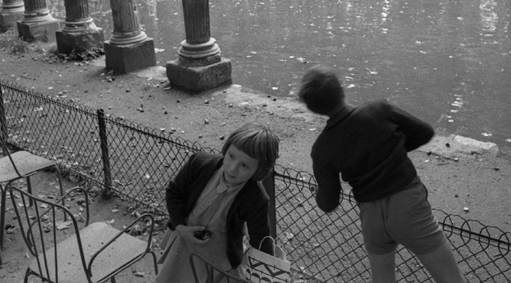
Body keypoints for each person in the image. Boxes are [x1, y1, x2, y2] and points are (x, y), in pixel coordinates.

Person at [298, 65, 467, 283]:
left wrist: (319, 191)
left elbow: (329, 202)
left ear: (312, 108)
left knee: (382, 279)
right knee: (450, 278)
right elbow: (425, 132)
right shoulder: (378, 111)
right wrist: (393, 150)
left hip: (371, 216)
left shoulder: (322, 148)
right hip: (408, 205)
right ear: (342, 90)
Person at [157, 123, 280, 283]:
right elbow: (174, 192)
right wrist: (179, 226)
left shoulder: (256, 199)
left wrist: (266, 275)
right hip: (183, 240)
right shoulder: (199, 164)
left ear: (259, 170)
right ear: (226, 148)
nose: (232, 169)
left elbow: (261, 240)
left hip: (217, 257)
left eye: (244, 165)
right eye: (231, 156)